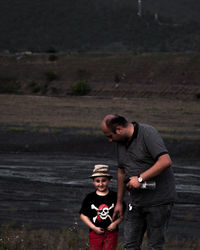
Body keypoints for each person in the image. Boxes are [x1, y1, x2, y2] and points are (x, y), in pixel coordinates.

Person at [101, 114, 177, 250]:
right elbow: (121, 171)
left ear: (119, 129)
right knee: (130, 245)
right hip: (135, 202)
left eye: (109, 136)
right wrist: (119, 202)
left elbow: (165, 161)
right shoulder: (120, 142)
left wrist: (141, 178)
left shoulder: (148, 133)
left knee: (155, 246)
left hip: (158, 202)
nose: (109, 140)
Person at [80, 164, 124, 250]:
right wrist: (93, 227)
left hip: (111, 233)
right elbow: (83, 215)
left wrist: (115, 223)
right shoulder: (90, 197)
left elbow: (122, 214)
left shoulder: (116, 197)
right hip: (94, 233)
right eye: (97, 181)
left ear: (109, 180)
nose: (100, 184)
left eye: (103, 180)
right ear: (93, 181)